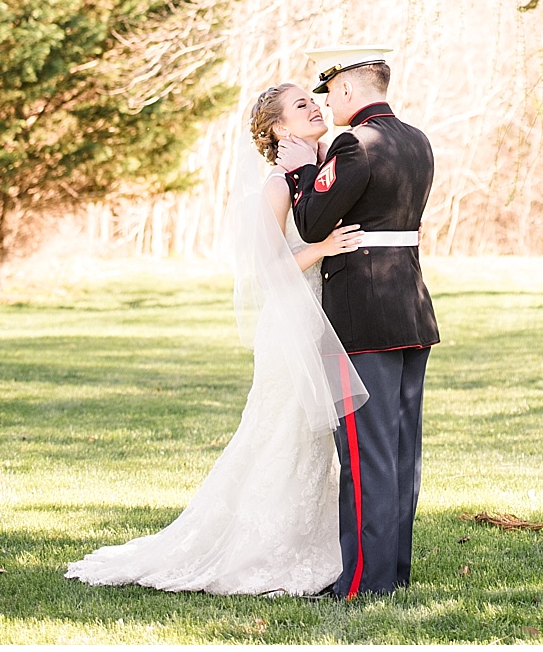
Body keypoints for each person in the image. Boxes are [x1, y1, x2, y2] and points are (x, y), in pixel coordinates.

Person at [65, 84, 366, 598]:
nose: (315, 107)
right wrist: (322, 248)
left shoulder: (317, 174)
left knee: (313, 441)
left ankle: (317, 544)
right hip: (289, 324)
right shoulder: (275, 186)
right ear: (277, 130)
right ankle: (262, 550)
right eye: (301, 105)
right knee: (281, 432)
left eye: (313, 102)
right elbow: (265, 271)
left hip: (319, 319)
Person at [290, 45, 438, 600]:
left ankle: (361, 583)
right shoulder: (416, 138)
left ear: (348, 90)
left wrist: (305, 169)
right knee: (400, 451)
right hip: (410, 309)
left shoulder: (356, 142)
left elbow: (311, 222)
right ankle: (393, 571)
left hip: (361, 316)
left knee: (363, 455)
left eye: (329, 95)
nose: (328, 106)